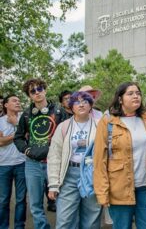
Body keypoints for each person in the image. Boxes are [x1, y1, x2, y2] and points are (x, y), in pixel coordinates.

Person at [94, 82, 146, 229]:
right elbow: (99, 160)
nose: (136, 96)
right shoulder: (107, 122)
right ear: (120, 99)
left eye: (138, 93)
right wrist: (102, 192)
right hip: (119, 190)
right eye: (130, 93)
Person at [47, 91, 102, 228]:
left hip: (92, 174)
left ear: (91, 106)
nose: (81, 104)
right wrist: (53, 184)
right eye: (77, 102)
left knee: (91, 219)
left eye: (85, 101)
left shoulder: (100, 125)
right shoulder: (63, 126)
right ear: (71, 107)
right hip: (69, 175)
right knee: (64, 220)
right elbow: (54, 155)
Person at [14, 78, 64, 229]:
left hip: (55, 163)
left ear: (45, 90)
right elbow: (18, 137)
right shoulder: (27, 114)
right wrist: (27, 150)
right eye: (33, 91)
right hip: (33, 165)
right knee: (35, 205)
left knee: (62, 201)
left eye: (40, 88)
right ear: (29, 96)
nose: (37, 93)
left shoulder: (59, 111)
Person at [0, 94, 26, 229]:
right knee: (3, 200)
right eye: (14, 100)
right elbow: (0, 142)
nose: (18, 102)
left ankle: (19, 226)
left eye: (19, 100)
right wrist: (18, 134)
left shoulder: (25, 119)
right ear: (6, 105)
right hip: (3, 165)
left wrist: (16, 125)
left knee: (21, 200)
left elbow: (29, 137)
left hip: (22, 163)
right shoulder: (0, 121)